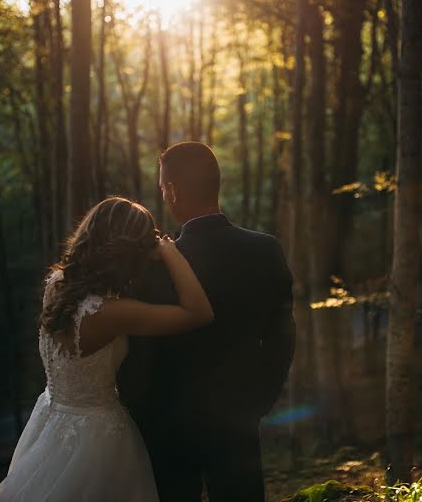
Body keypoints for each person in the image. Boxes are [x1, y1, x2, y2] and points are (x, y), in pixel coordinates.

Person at [0, 196, 213, 502]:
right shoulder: (109, 313)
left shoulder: (57, 285)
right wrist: (172, 253)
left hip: (52, 420)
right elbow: (199, 312)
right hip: (98, 438)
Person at [118, 142, 296, 502]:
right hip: (238, 419)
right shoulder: (265, 250)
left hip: (167, 426)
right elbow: (282, 338)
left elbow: (137, 349)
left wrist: (142, 414)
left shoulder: (153, 264)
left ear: (172, 191)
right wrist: (258, 401)